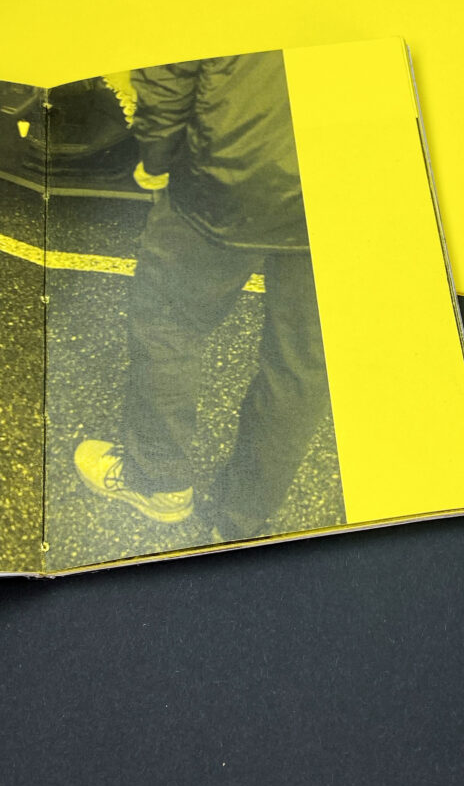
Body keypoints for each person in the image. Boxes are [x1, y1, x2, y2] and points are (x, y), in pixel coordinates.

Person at [74, 52, 336, 541]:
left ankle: (158, 482)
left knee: (168, 323)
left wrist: (156, 157)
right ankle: (242, 522)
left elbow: (172, 63)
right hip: (348, 179)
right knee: (301, 365)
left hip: (234, 167)